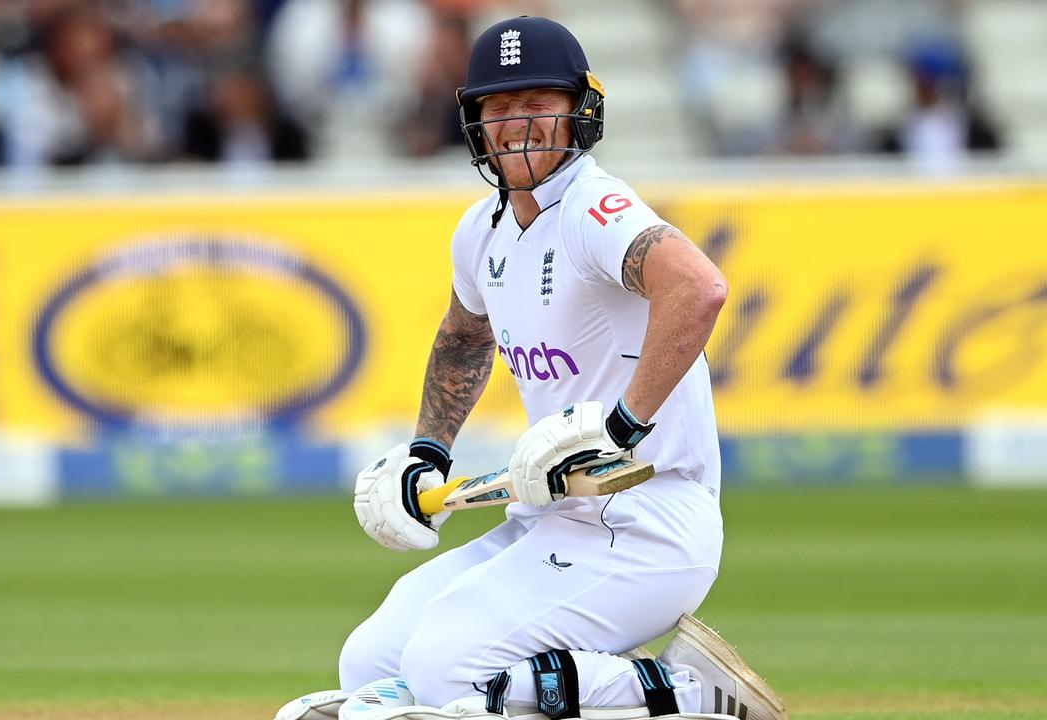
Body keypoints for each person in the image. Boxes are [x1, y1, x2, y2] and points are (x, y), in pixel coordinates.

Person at [276, 16, 783, 720]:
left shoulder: (593, 209)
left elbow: (699, 288)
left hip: (647, 523)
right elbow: (462, 338)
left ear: (580, 112)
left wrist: (621, 427)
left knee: (443, 669)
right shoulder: (481, 230)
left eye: (538, 104)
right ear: (475, 123)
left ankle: (686, 693)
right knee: (370, 660)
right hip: (548, 517)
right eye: (500, 107)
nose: (519, 125)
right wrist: (426, 453)